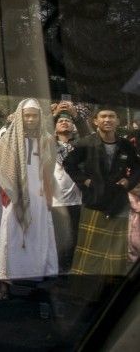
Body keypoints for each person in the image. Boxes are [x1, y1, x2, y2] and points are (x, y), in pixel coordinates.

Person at [64, 107, 140, 303]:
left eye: (112, 116)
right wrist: (85, 181)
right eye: (103, 116)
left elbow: (138, 166)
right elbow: (68, 164)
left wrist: (129, 183)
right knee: (90, 252)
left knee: (116, 253)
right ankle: (83, 296)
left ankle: (110, 297)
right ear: (96, 121)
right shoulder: (85, 143)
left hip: (118, 203)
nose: (108, 120)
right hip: (94, 203)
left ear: (117, 120)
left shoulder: (125, 145)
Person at [0, 99, 58, 301]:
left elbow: (49, 171)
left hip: (38, 198)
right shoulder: (7, 140)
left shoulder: (47, 139)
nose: (30, 119)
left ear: (40, 118)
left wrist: (47, 196)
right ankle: (6, 284)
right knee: (10, 238)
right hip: (15, 198)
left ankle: (38, 282)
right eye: (26, 115)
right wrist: (10, 192)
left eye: (34, 115)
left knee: (39, 238)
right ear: (20, 117)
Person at [52, 112, 84, 274]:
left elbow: (89, 134)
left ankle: (70, 272)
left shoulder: (80, 146)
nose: (64, 122)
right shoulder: (47, 144)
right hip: (54, 202)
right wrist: (54, 114)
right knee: (58, 240)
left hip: (76, 200)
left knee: (74, 238)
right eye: (60, 121)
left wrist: (75, 115)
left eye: (68, 121)